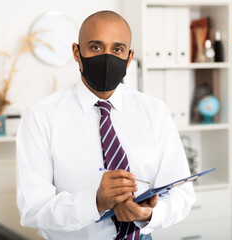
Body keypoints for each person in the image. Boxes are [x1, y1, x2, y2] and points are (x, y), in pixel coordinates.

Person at [16, 10, 196, 240]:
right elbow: (32, 209)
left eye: (117, 49)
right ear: (76, 52)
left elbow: (182, 194)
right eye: (96, 47)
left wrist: (148, 213)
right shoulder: (41, 117)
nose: (107, 57)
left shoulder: (154, 112)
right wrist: (96, 201)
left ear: (129, 58)